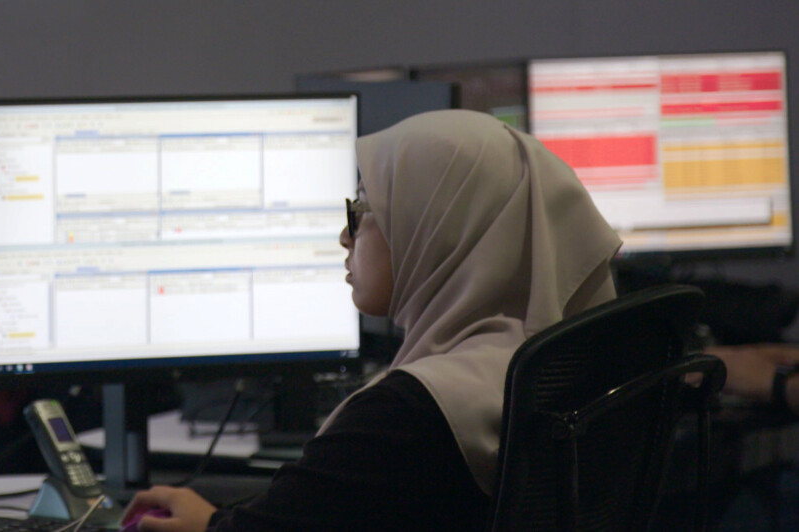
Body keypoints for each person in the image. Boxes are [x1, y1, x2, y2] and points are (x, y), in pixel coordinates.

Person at [121, 109, 624, 532]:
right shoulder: (552, 369)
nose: (345, 236)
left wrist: (210, 525)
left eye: (362, 209)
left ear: (434, 230)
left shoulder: (415, 412)